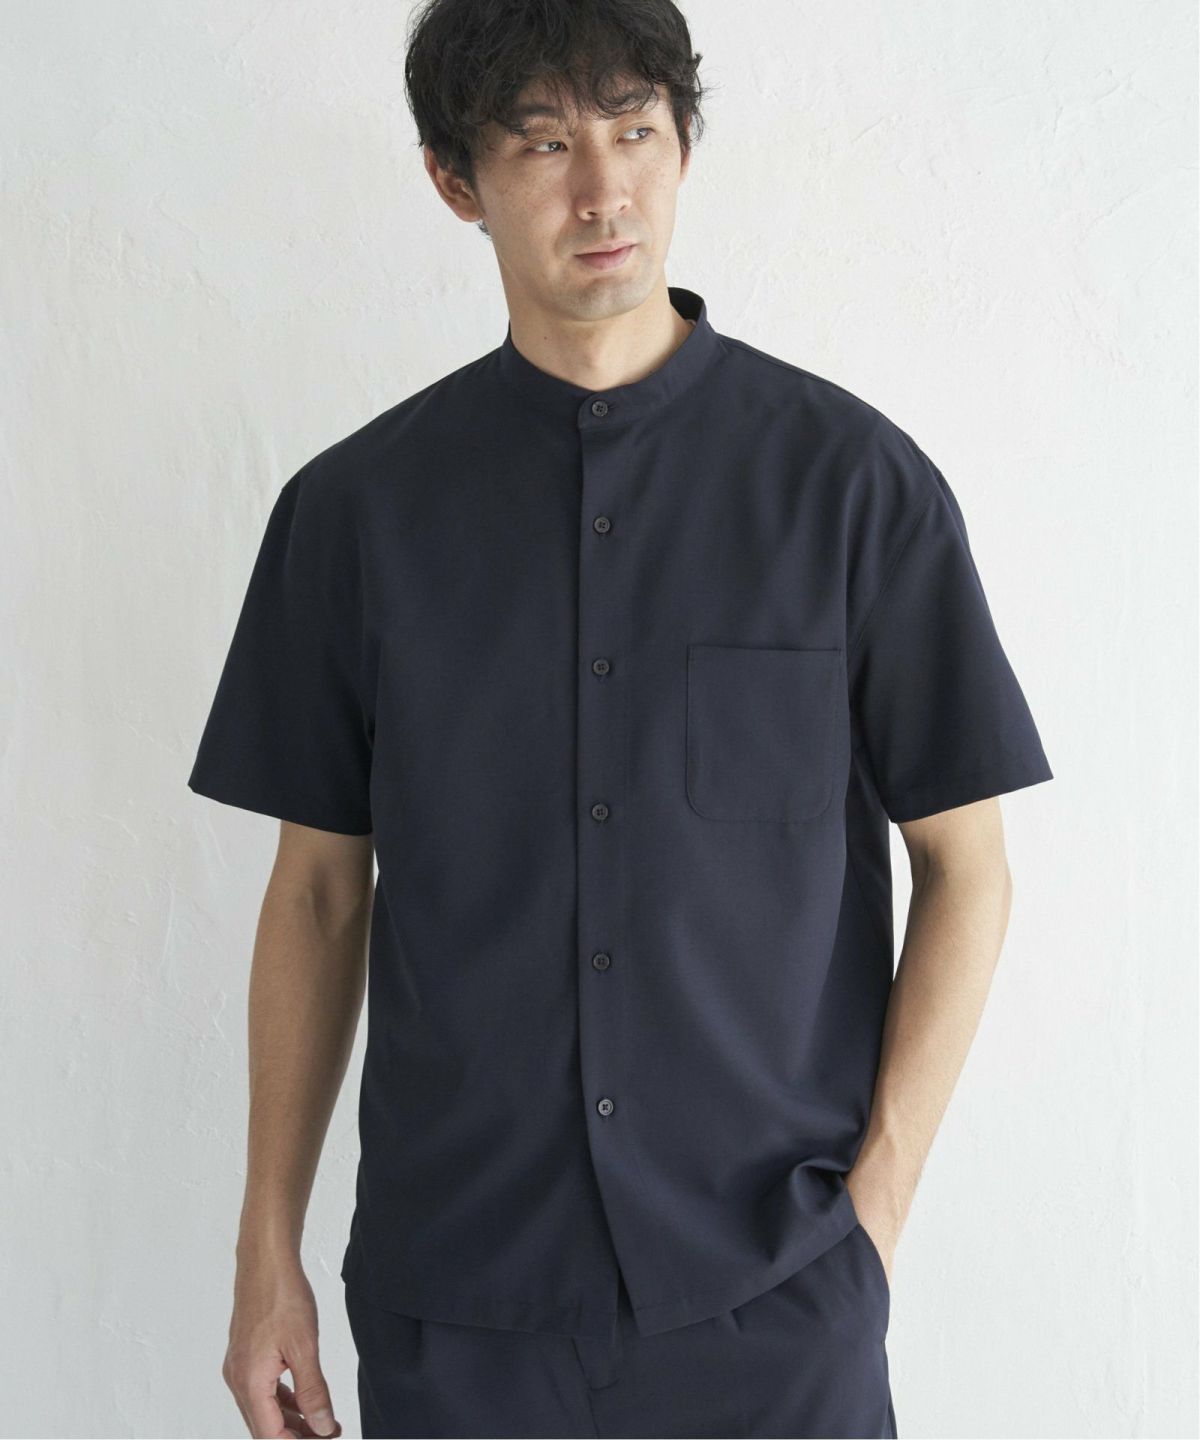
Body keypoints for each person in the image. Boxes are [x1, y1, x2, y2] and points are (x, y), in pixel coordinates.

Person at [187, 1, 1055, 1435]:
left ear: (684, 146)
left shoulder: (855, 489)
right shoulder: (353, 518)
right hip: (459, 1310)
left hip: (776, 1303)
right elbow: (321, 894)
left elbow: (969, 865)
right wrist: (263, 1249)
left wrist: (876, 1216)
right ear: (455, 182)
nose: (604, 191)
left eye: (636, 131)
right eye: (544, 145)